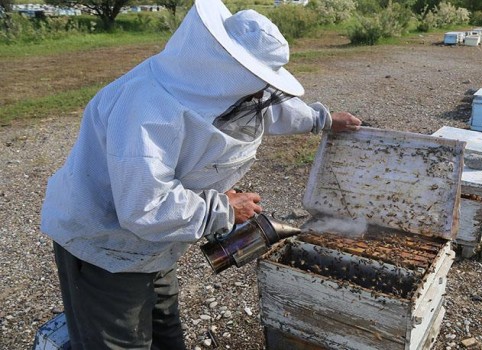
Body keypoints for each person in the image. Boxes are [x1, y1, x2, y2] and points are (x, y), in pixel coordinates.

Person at [40, 0, 361, 348]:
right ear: (229, 71)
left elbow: (263, 108)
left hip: (156, 243)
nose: (260, 94)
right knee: (119, 341)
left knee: (165, 333)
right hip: (105, 244)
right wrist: (222, 208)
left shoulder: (217, 84)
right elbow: (144, 207)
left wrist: (321, 119)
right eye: (255, 82)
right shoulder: (146, 111)